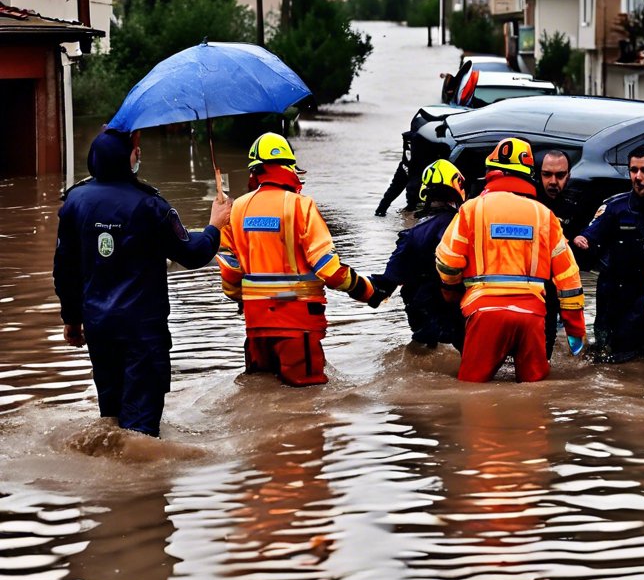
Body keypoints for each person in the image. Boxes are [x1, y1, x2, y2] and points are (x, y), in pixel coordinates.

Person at [53, 128, 232, 437]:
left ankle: (108, 481)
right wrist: (215, 225)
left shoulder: (75, 202)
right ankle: (142, 485)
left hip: (98, 328)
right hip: (141, 332)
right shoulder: (151, 206)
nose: (140, 155)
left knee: (110, 415)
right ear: (126, 157)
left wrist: (71, 319)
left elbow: (64, 269)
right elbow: (192, 253)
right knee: (141, 429)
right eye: (136, 150)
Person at [216, 133, 382, 387]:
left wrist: (244, 299)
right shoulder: (301, 206)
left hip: (256, 323)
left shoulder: (237, 208)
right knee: (306, 403)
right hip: (297, 323)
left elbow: (230, 270)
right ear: (289, 167)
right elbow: (329, 269)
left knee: (260, 395)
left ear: (255, 171)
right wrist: (366, 290)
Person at [435, 136, 586, 382]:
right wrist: (575, 332)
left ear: (492, 171)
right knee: (535, 399)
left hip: (484, 313)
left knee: (473, 395)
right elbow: (569, 280)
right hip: (533, 316)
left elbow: (447, 261)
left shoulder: (472, 209)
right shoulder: (545, 215)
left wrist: (450, 291)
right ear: (529, 174)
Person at [573, 145, 644, 363]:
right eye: (633, 170)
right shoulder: (614, 208)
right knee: (611, 365)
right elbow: (588, 242)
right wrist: (581, 243)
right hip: (617, 305)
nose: (638, 177)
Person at [370, 159, 467, 351]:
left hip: (423, 311)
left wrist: (363, 290)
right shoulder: (468, 227)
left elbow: (389, 279)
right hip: (461, 309)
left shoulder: (415, 233)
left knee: (422, 353)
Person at [537, 149, 575, 358]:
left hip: (556, 294)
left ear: (568, 176)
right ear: (538, 175)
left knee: (545, 356)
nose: (553, 181)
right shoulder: (528, 203)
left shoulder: (576, 206)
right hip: (530, 290)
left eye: (560, 176)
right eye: (547, 175)